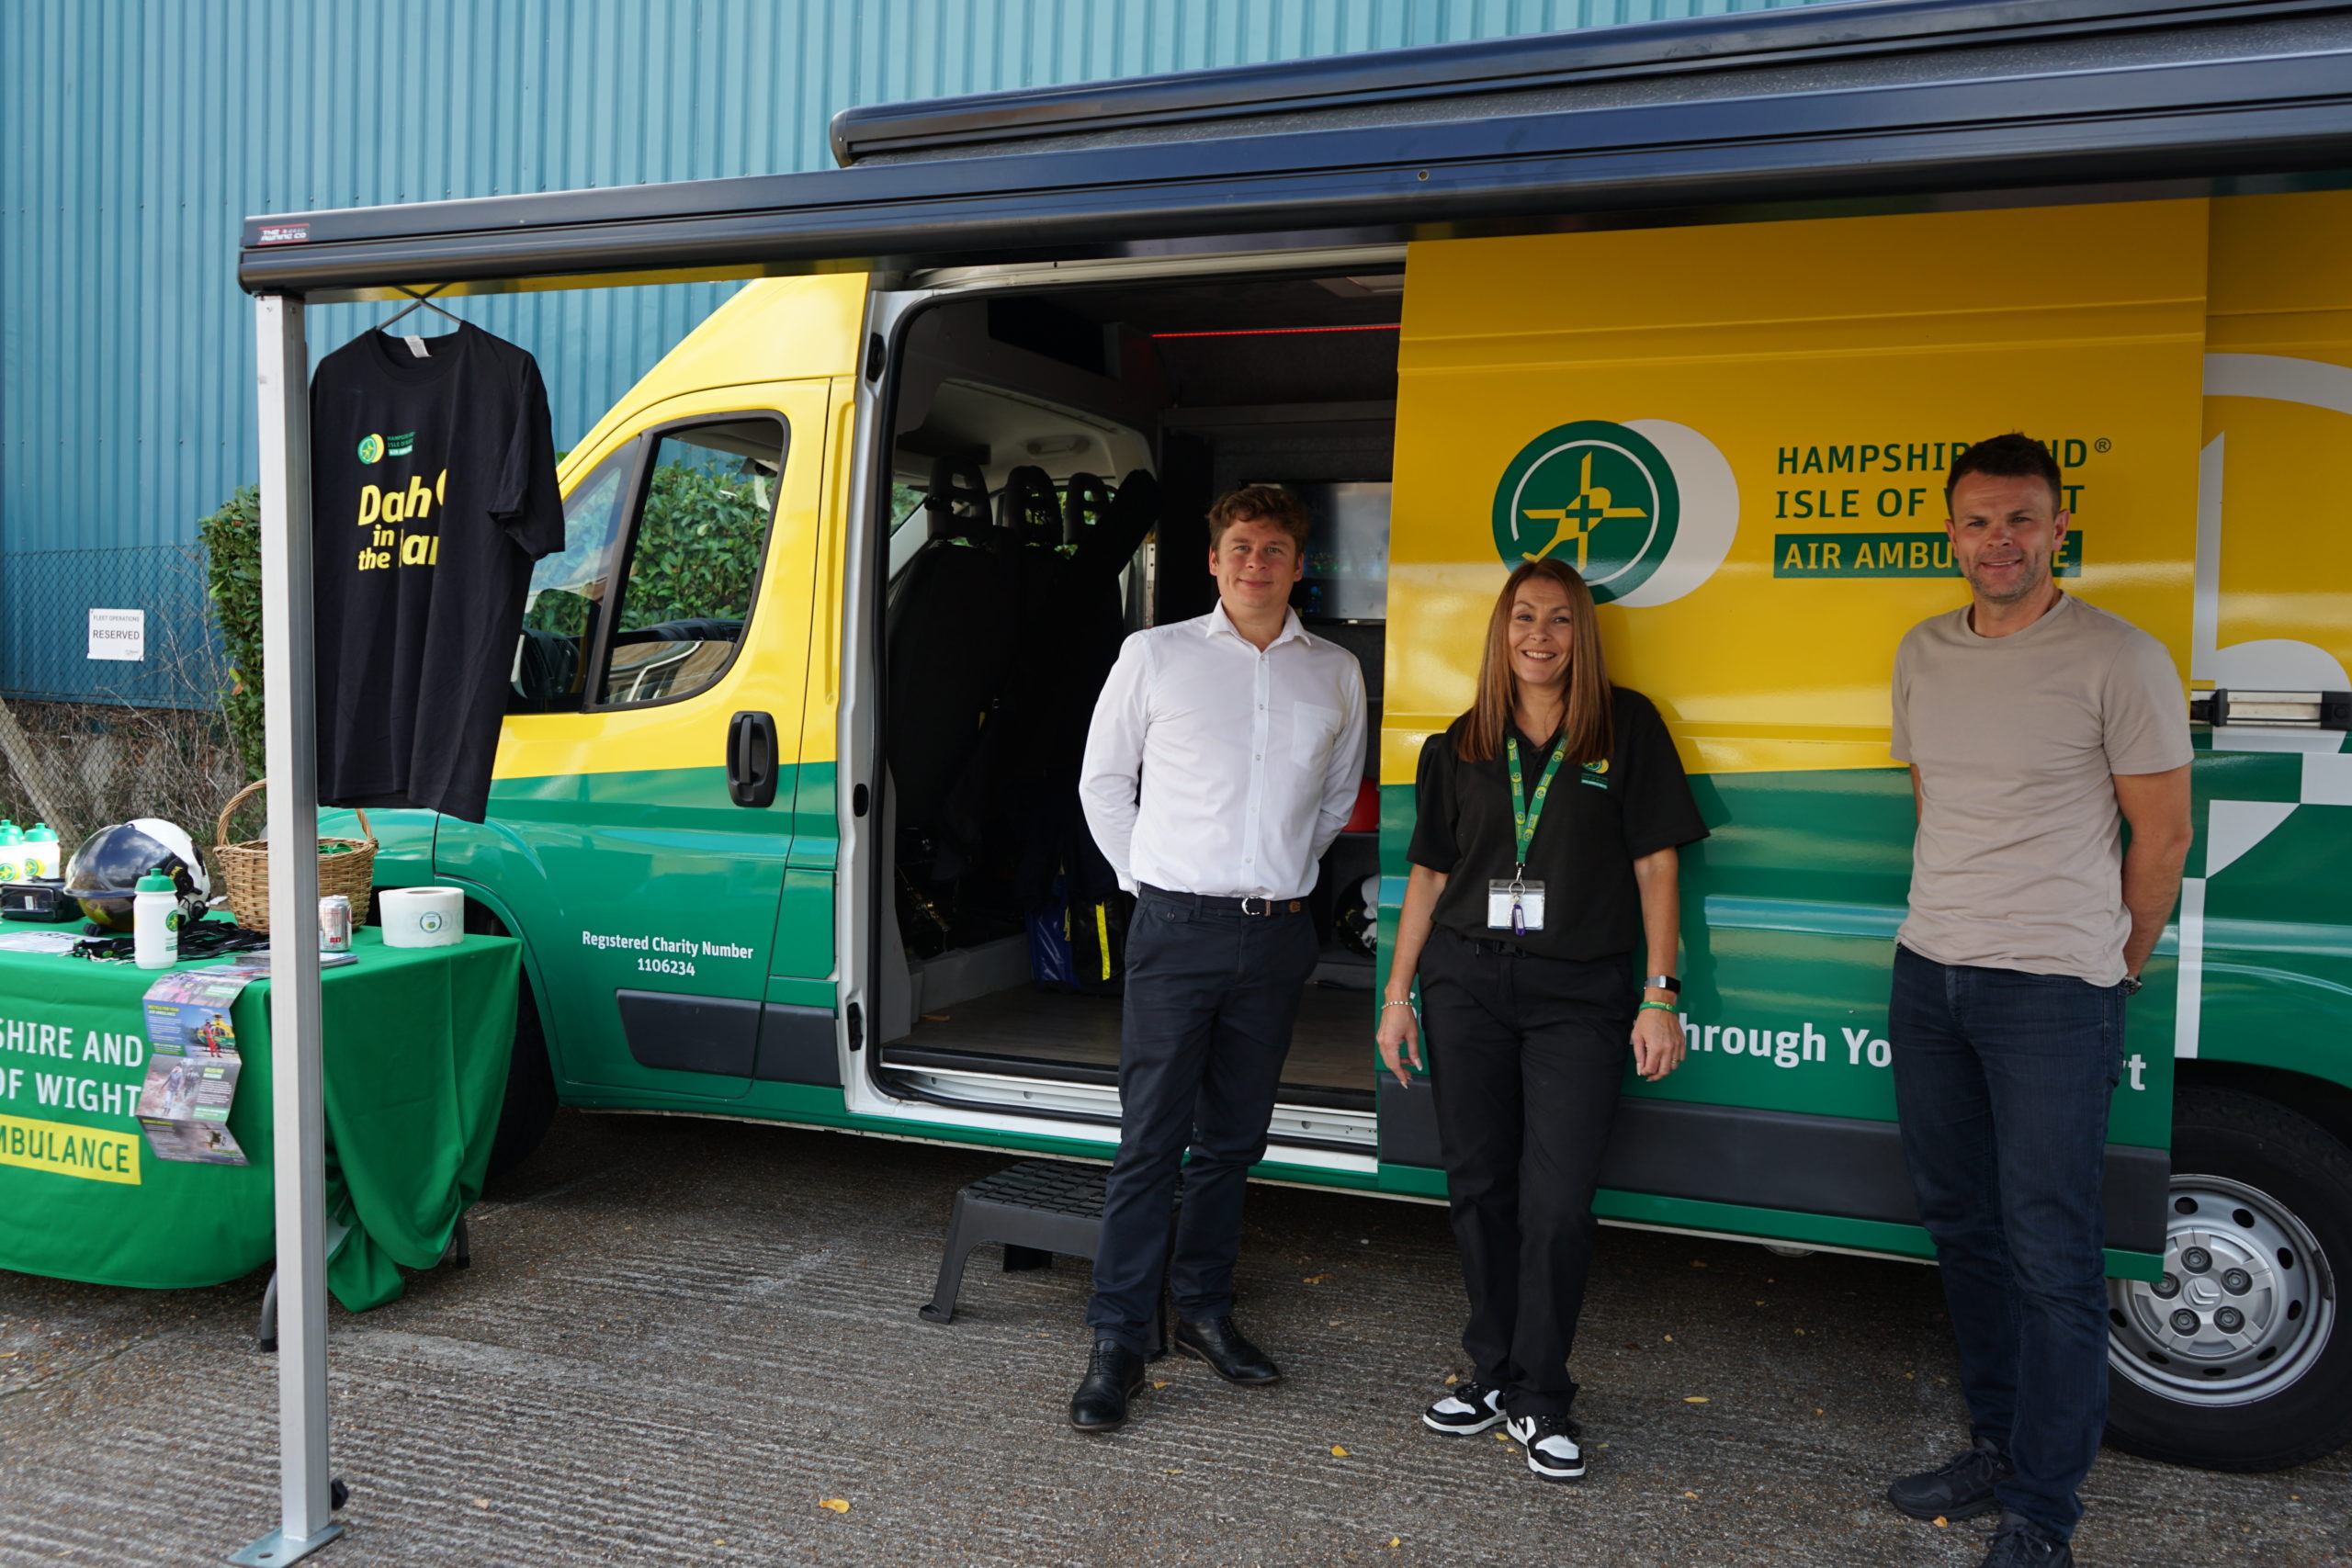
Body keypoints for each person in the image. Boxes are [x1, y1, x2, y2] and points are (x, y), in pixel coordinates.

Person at [1883, 434, 2192, 1567]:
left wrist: (2116, 960)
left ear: (2058, 529)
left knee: (2051, 1251)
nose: (1996, 541)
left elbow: (2161, 838)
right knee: (1964, 1230)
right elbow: (1933, 800)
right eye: (1976, 521)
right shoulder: (1922, 650)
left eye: (2019, 519)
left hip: (2053, 991)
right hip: (1929, 976)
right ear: (1950, 530)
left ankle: (2043, 1511)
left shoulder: (2119, 657)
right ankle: (1996, 1447)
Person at [1376, 557, 1706, 1482]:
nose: (1539, 637)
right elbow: (1431, 879)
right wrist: (1397, 995)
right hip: (1466, 986)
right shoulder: (1460, 741)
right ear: (1500, 628)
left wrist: (1659, 993)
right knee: (1478, 1187)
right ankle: (1493, 1371)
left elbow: (1656, 870)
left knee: (1556, 1204)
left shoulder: (1625, 727)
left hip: (1578, 996)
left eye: (1559, 620)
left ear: (1582, 635)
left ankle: (1541, 1394)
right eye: (1523, 617)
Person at [1068, 483, 1368, 1432]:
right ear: (1212, 558)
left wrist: (1284, 878)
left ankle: (1202, 1311)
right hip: (1174, 927)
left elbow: (1335, 799)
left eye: (1274, 550)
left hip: (1276, 931)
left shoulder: (1336, 672)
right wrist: (1149, 883)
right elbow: (1103, 784)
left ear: (1297, 563)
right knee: (1151, 1139)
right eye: (1240, 546)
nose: (1255, 564)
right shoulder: (1153, 656)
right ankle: (1118, 1338)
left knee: (1234, 1138)